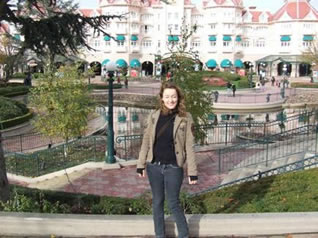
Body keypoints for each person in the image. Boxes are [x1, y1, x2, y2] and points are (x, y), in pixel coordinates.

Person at [137, 82, 197, 238]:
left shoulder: (185, 117)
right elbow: (146, 140)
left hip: (173, 167)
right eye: (167, 97)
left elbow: (189, 146)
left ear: (178, 98)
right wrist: (140, 164)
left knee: (173, 203)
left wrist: (192, 172)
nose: (171, 100)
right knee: (157, 202)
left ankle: (183, 235)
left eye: (174, 97)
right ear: (162, 98)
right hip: (154, 167)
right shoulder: (154, 116)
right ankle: (159, 235)